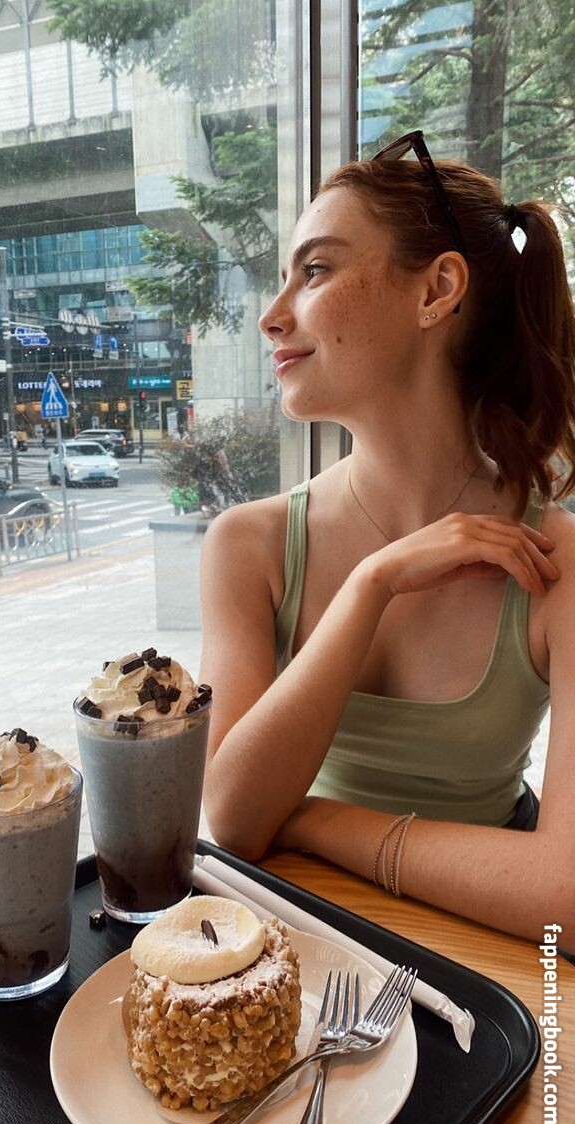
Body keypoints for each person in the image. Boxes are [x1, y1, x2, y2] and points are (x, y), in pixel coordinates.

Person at [199, 131, 575, 951]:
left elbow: (566, 898)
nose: (272, 315)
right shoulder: (248, 545)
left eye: (315, 270)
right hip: (304, 960)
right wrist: (373, 584)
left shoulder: (558, 562)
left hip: (495, 965)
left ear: (436, 290)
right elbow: (231, 815)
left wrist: (311, 820)